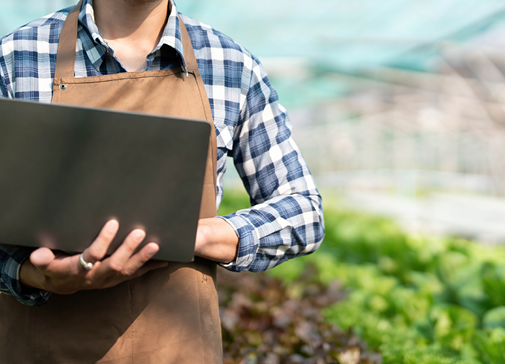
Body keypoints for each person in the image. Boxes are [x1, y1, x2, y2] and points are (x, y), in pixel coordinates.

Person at [0, 0, 325, 362]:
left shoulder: (231, 64)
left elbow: (304, 212)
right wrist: (34, 274)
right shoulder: (17, 56)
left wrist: (190, 234)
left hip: (180, 350)